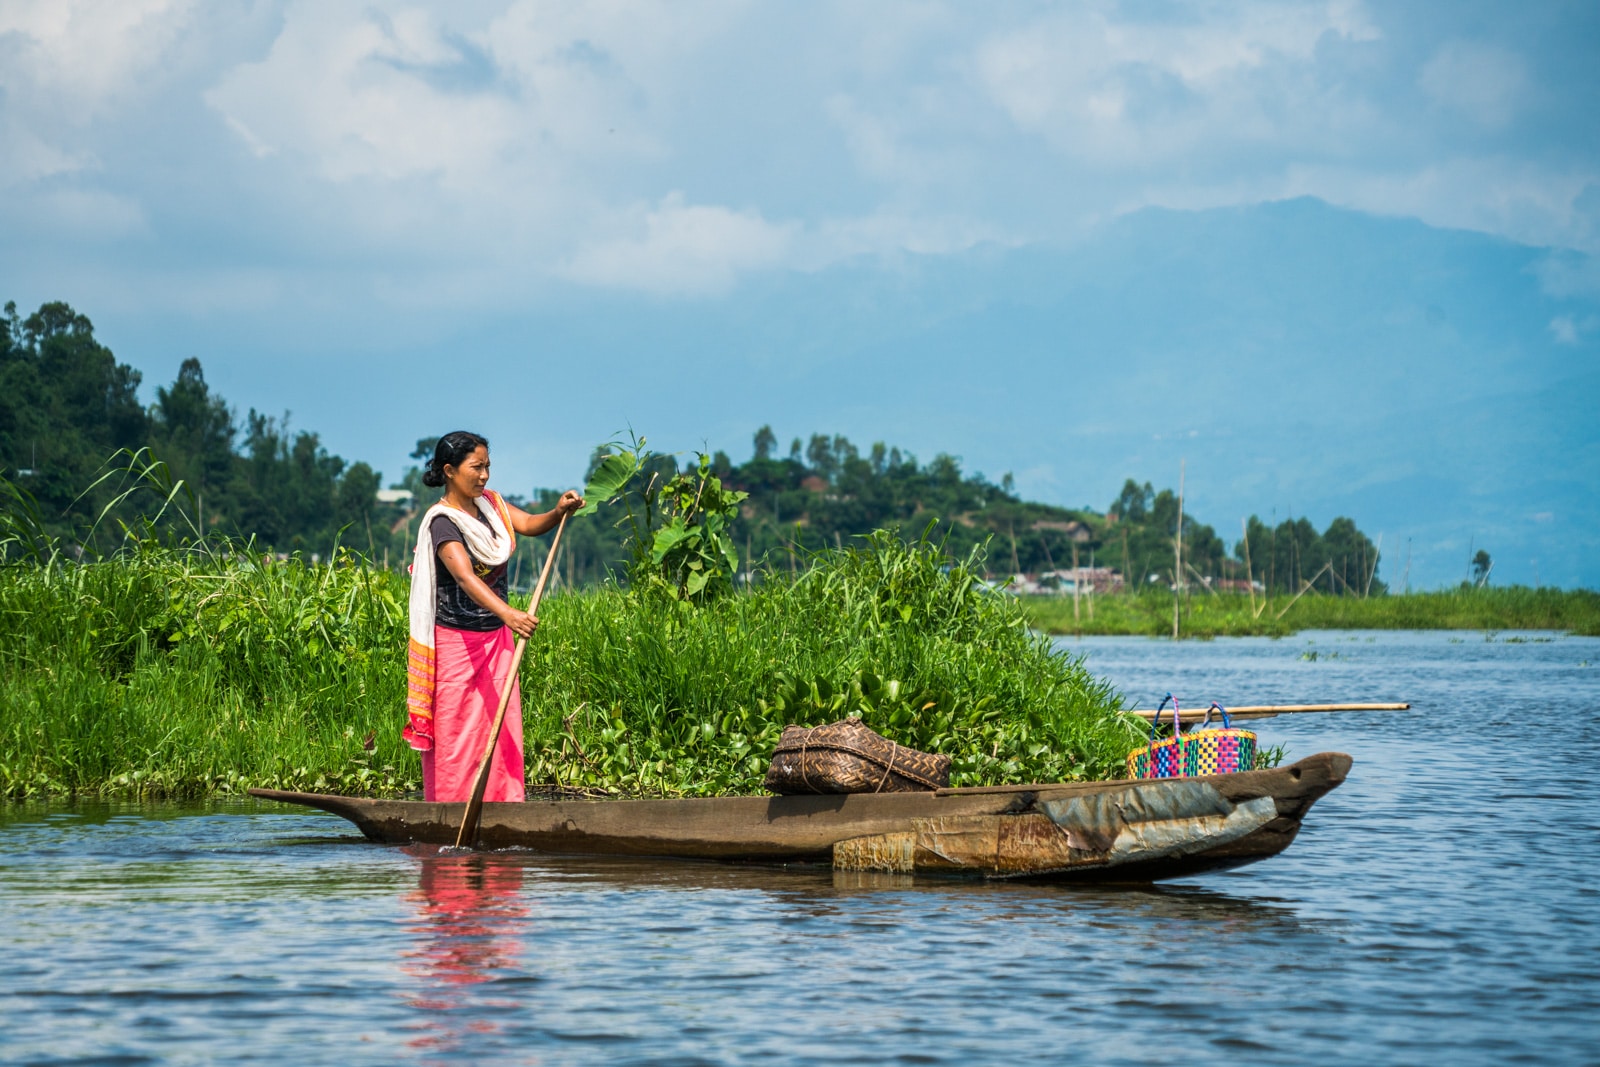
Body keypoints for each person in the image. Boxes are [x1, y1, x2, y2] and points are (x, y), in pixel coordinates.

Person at [404, 431, 584, 803]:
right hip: (456, 641)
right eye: (476, 467)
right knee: (458, 730)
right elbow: (466, 577)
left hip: (496, 640)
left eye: (488, 466)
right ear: (450, 471)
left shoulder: (492, 505)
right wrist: (510, 614)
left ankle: (503, 804)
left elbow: (532, 524)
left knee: (500, 726)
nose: (484, 475)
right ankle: (451, 806)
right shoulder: (443, 522)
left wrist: (558, 511)